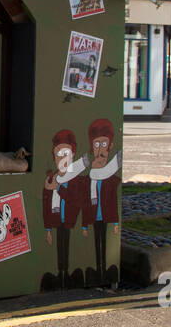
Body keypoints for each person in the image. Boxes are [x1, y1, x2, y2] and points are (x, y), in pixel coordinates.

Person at [41, 129, 88, 291]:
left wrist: (58, 188)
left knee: (66, 245)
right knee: (59, 246)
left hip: (70, 221)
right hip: (56, 220)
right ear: (54, 156)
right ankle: (60, 273)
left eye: (66, 152)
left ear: (73, 154)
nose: (62, 157)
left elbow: (76, 200)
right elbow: (46, 205)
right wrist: (47, 228)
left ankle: (66, 273)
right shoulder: (50, 179)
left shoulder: (77, 181)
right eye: (58, 153)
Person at [80, 117, 121, 287]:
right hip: (94, 218)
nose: (100, 151)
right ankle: (98, 269)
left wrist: (116, 222)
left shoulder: (111, 179)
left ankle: (105, 271)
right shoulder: (87, 180)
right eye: (97, 145)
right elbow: (84, 204)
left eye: (104, 145)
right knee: (96, 243)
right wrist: (83, 225)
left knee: (104, 242)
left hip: (105, 217)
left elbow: (112, 201)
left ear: (110, 146)